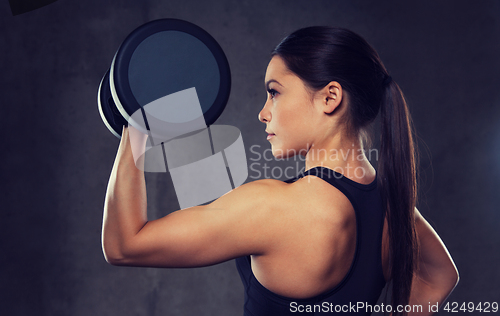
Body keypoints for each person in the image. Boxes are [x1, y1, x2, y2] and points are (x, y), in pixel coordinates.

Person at [101, 27, 459, 315]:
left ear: (330, 98)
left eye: (274, 92)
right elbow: (440, 275)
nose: (263, 112)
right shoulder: (394, 205)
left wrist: (137, 125)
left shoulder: (273, 207)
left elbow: (124, 246)